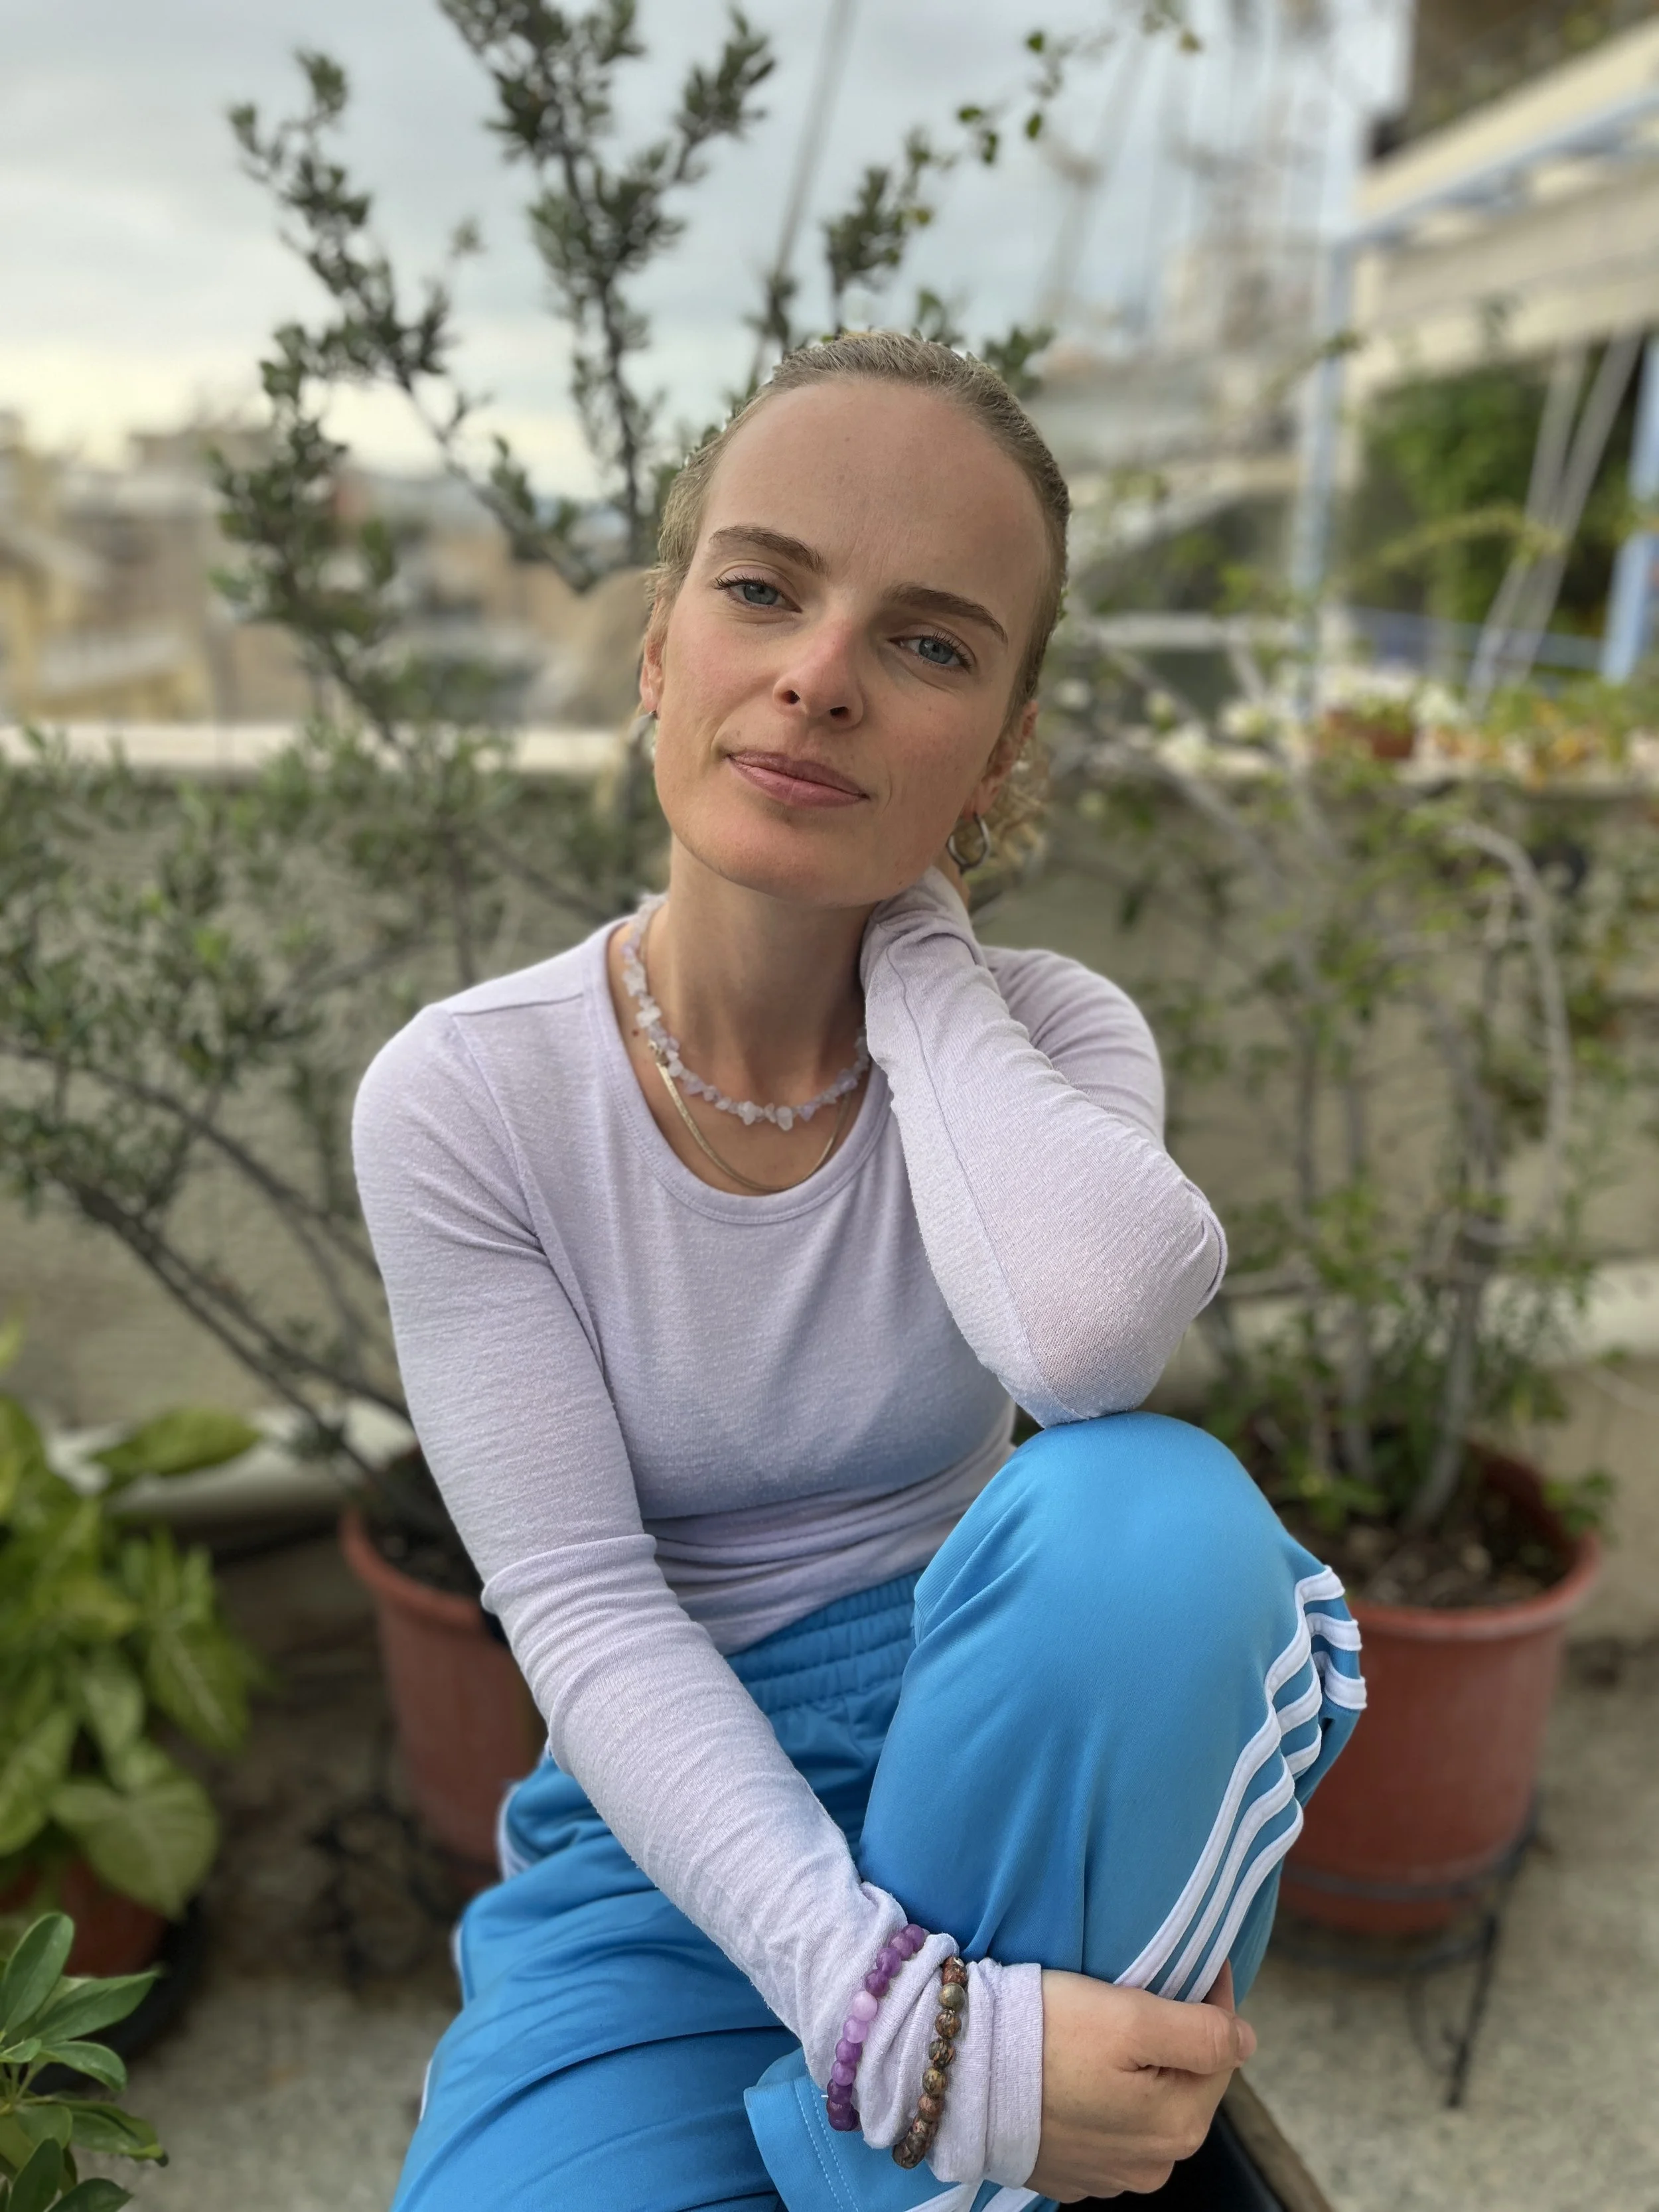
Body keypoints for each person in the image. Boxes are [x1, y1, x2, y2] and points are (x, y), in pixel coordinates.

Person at [353, 332, 1364, 2212]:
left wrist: (908, 947)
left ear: (999, 748)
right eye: (760, 588)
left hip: (988, 1745)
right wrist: (888, 2019)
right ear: (661, 648)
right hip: (665, 1835)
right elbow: (579, 1606)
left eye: (926, 644)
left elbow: (1079, 1345)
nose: (815, 676)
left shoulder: (1045, 1039)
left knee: (1141, 1515)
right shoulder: (467, 1096)